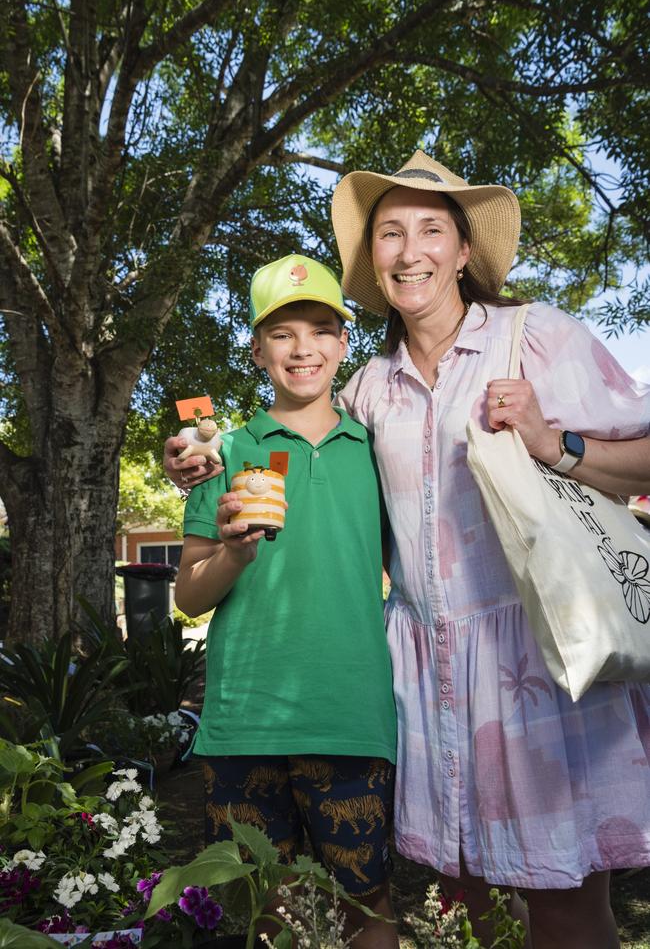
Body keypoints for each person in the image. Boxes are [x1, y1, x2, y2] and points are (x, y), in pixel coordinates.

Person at [166, 154, 650, 949]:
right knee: (472, 890)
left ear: (465, 253)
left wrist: (552, 441)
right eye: (390, 231)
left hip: (543, 664)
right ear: (374, 263)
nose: (410, 247)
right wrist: (191, 457)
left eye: (432, 228)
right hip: (427, 681)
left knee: (564, 901)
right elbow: (287, 445)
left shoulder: (538, 337)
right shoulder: (367, 391)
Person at [173, 253, 399, 948]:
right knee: (271, 911)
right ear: (256, 349)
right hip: (245, 722)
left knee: (370, 907)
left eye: (320, 329)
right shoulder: (223, 452)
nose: (303, 348)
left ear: (343, 343)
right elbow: (186, 597)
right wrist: (235, 552)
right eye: (282, 333)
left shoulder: (382, 447)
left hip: (351, 715)